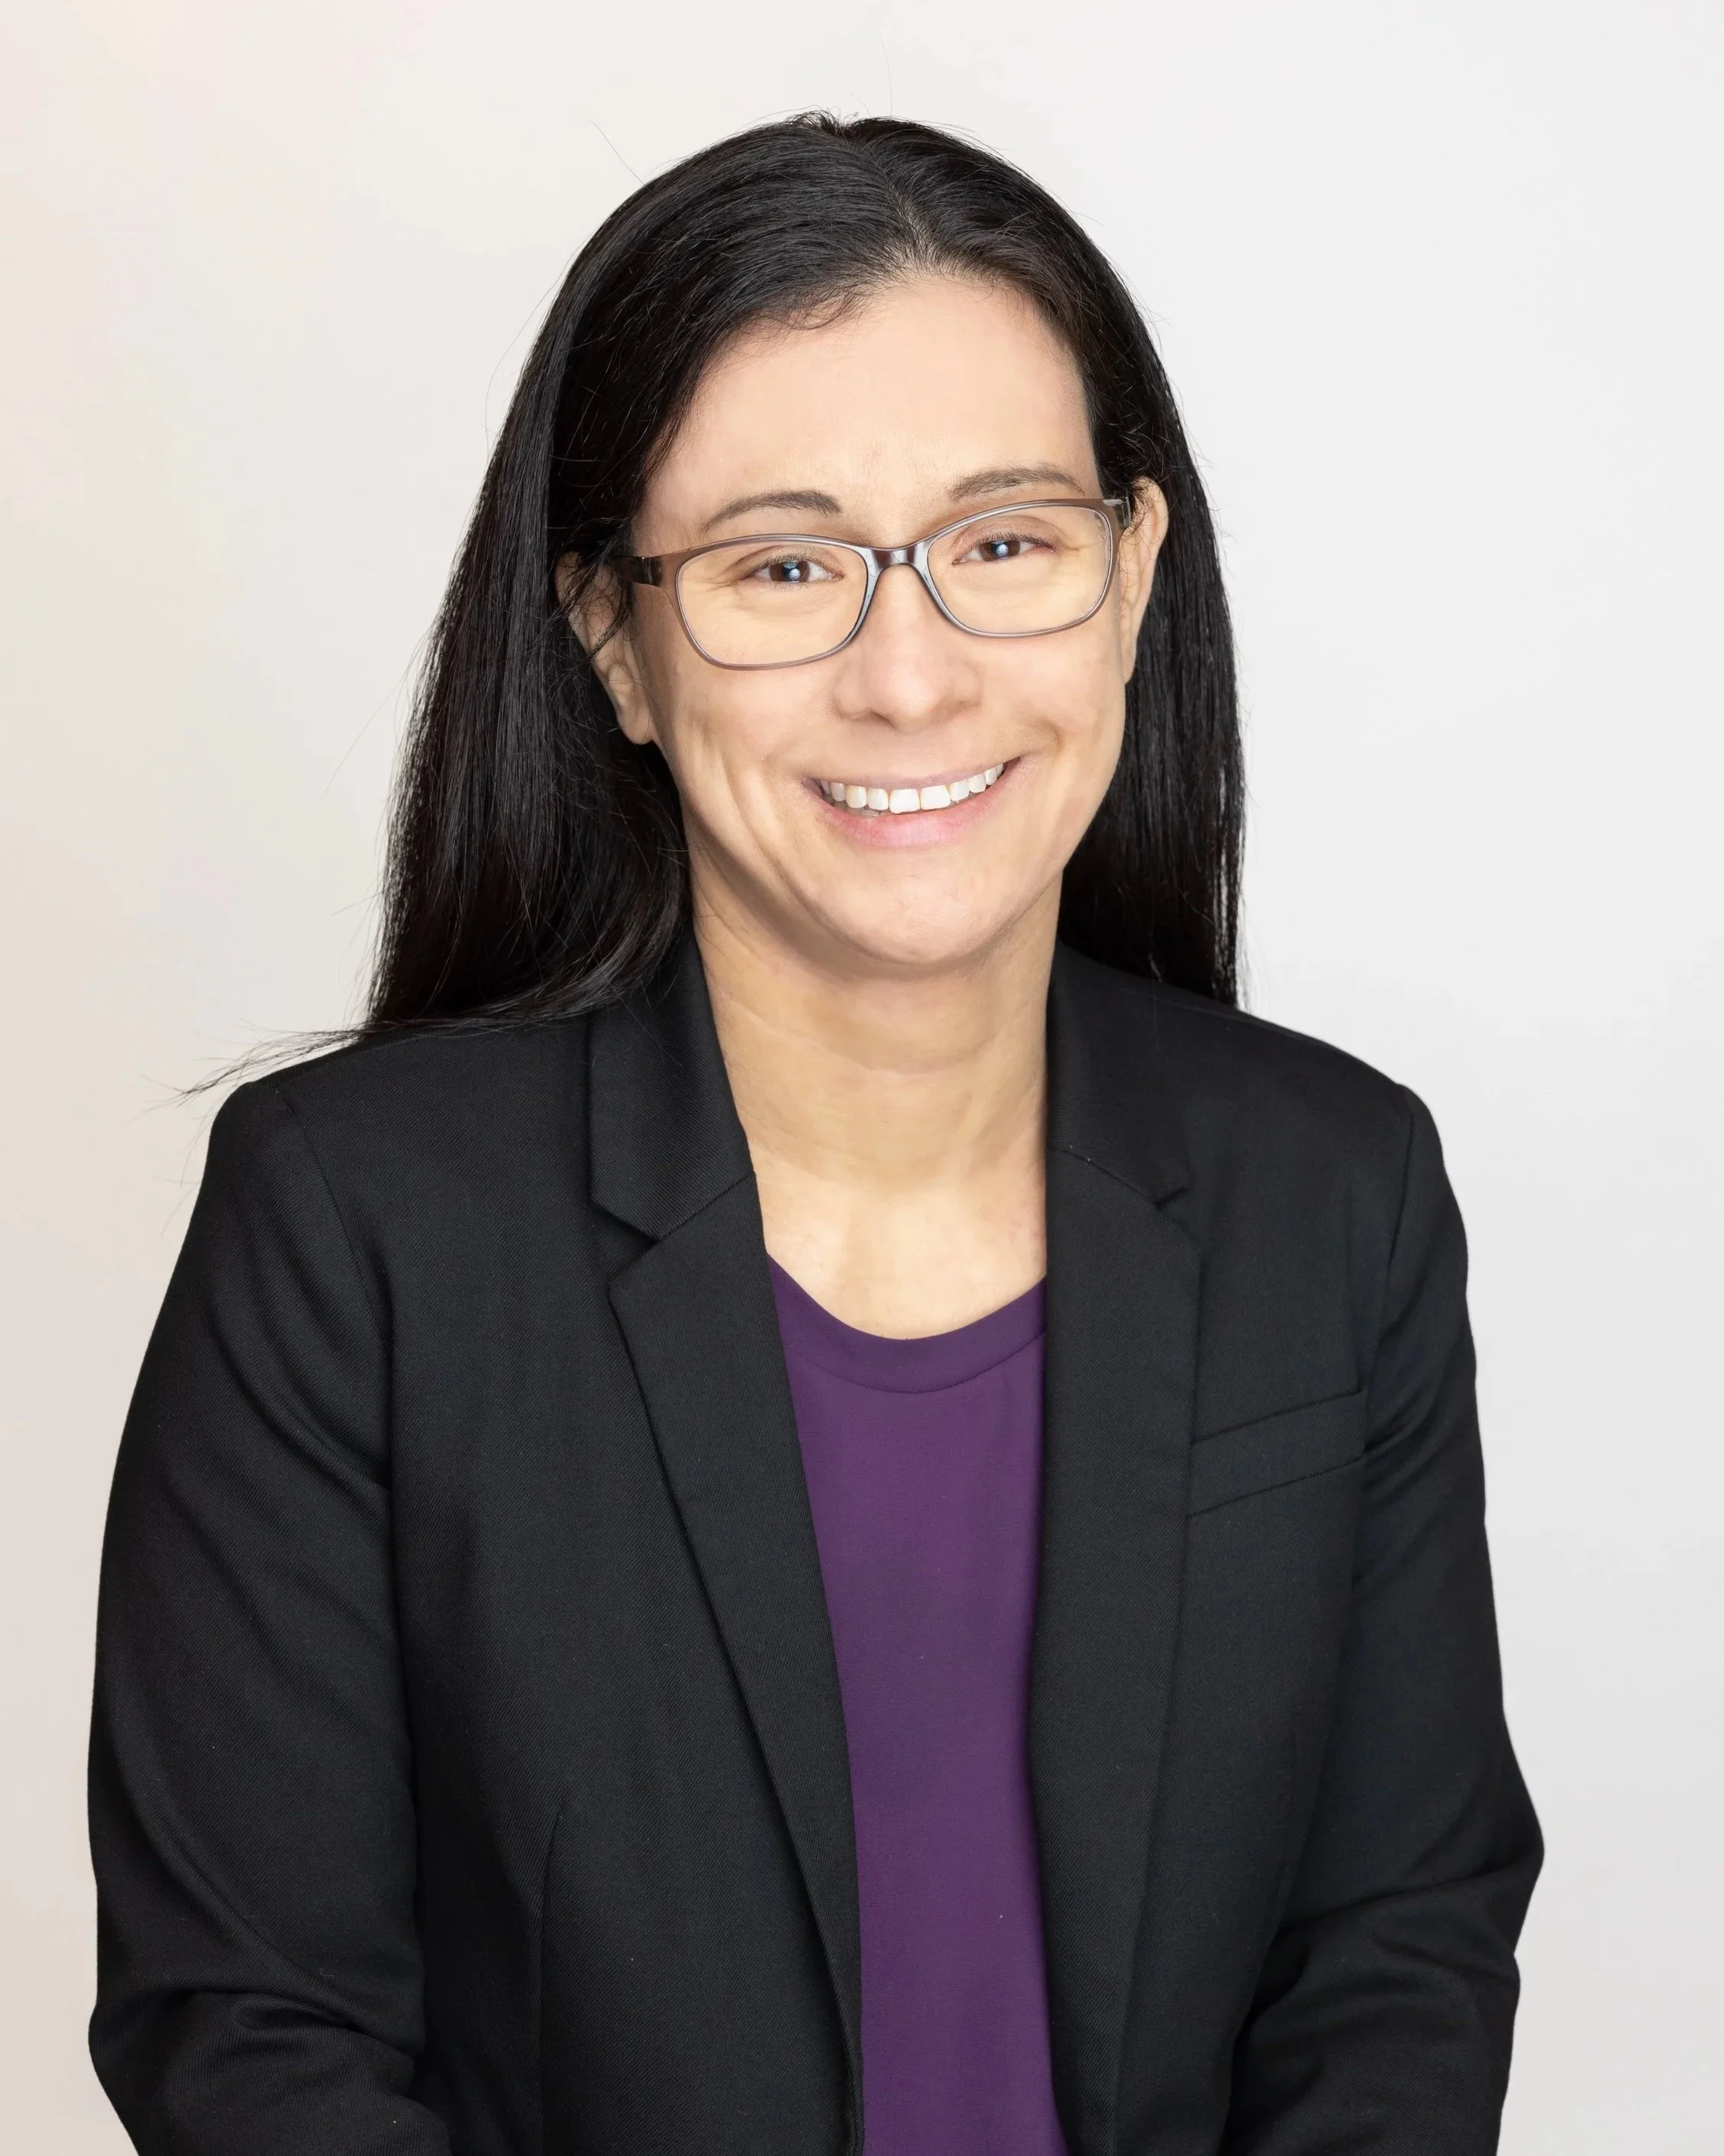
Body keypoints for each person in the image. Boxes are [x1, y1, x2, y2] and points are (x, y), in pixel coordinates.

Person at [88, 112, 1540, 2156]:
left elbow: (1400, 1942)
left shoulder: (1341, 1188)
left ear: (1132, 576)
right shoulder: (352, 1226)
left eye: (1004, 540)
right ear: (611, 636)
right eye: (784, 564)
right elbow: (254, 2034)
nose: (911, 670)